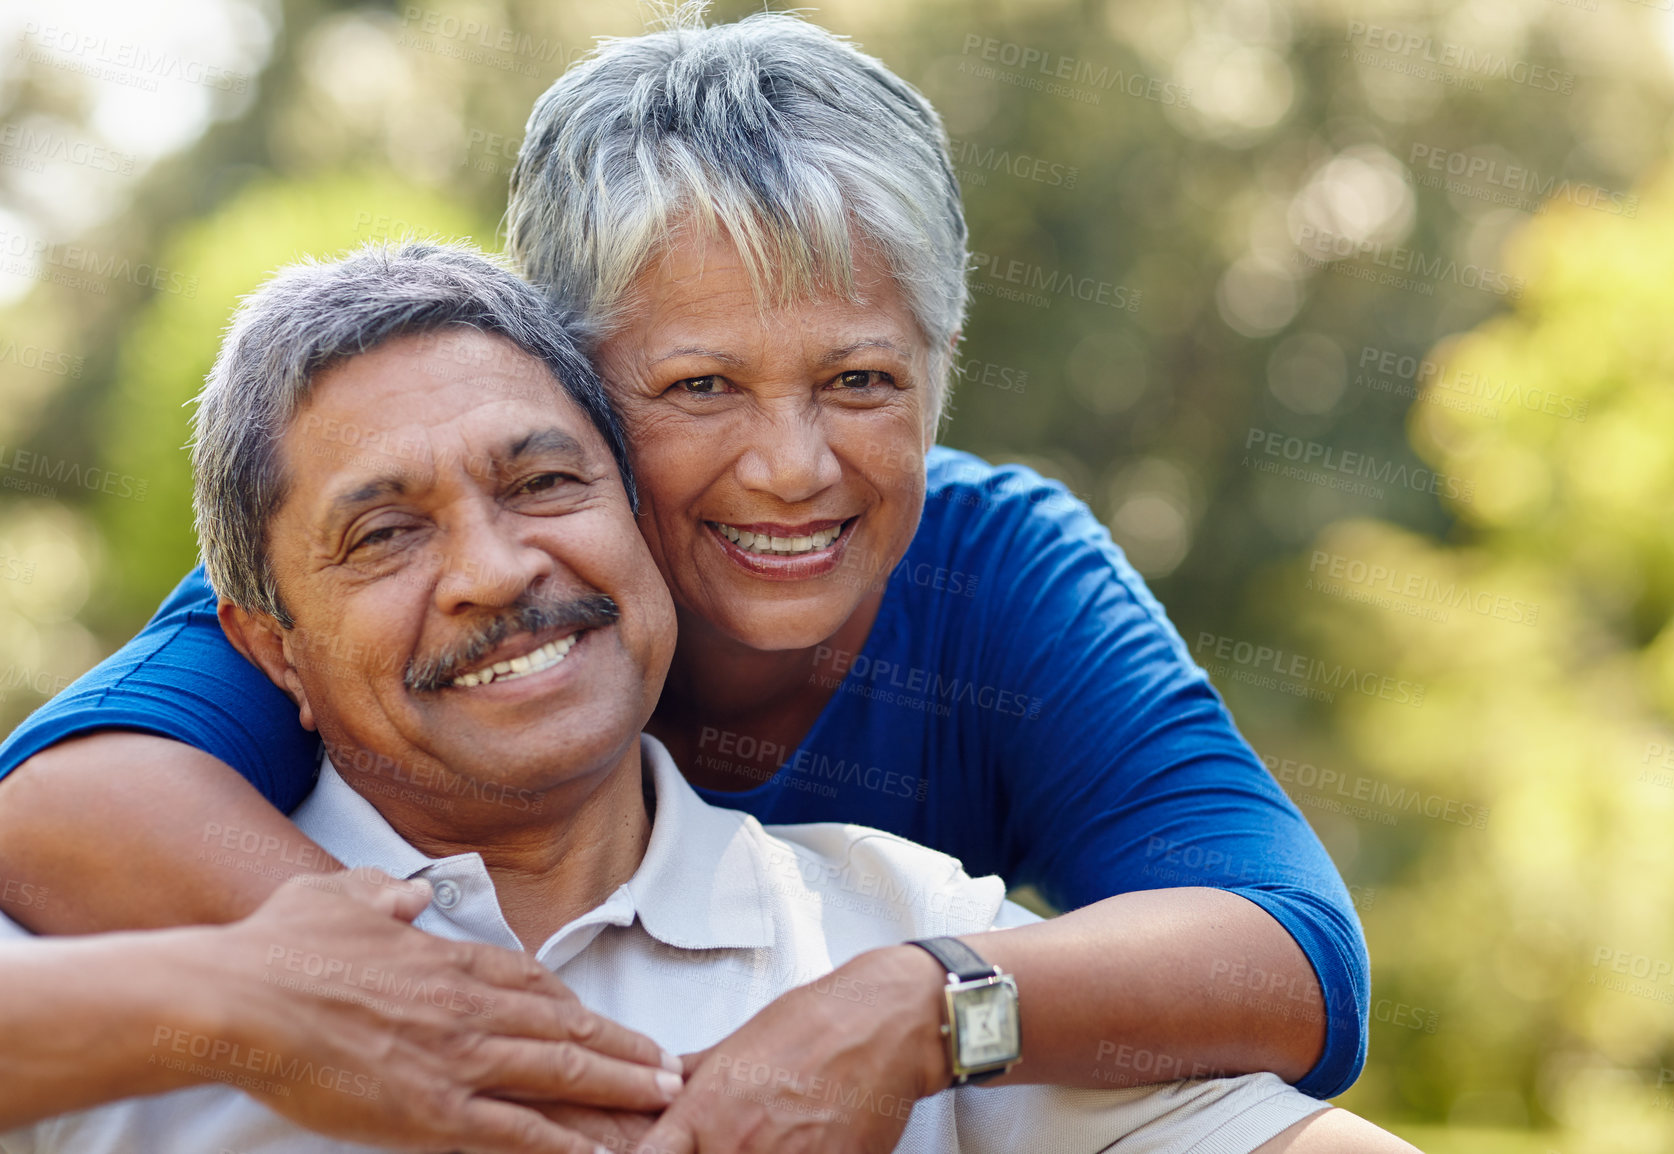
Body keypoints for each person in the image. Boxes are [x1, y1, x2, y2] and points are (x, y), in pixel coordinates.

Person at [0, 10, 1379, 1148]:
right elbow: (63, 803)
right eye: (701, 386)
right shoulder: (407, 582)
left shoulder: (988, 597)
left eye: (859, 380)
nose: (791, 467)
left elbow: (1293, 951)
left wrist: (917, 1008)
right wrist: (390, 1020)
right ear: (571, 386)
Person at [0, 866, 682, 1150]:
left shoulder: (792, 915)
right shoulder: (64, 919)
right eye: (376, 551)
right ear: (274, 651)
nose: (492, 576)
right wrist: (248, 992)